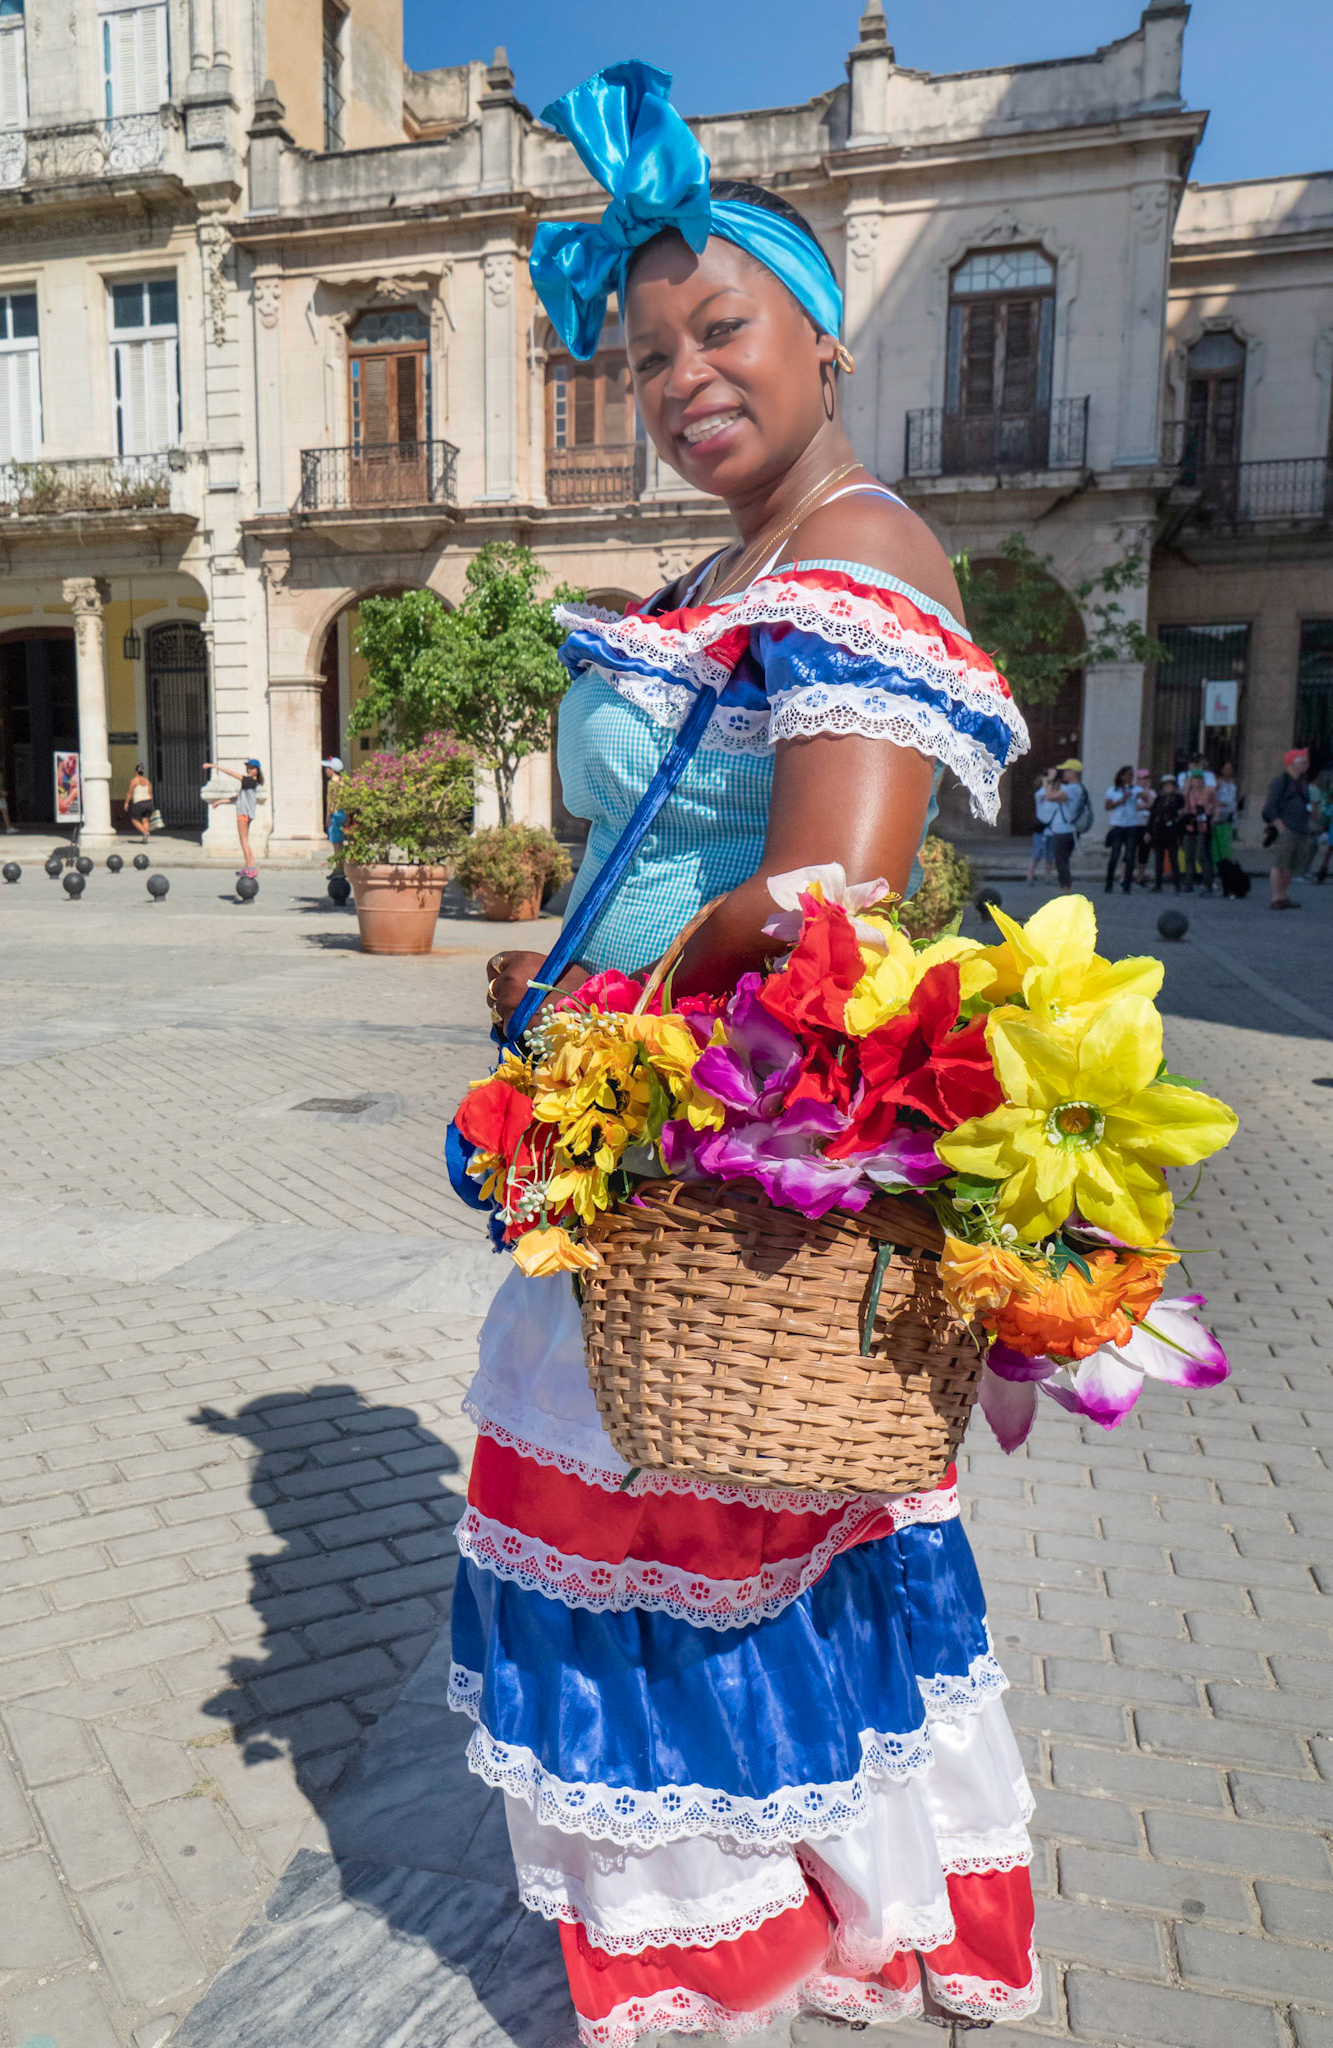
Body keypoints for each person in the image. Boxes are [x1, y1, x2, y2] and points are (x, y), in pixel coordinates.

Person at [474, 64, 1039, 2039]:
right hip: (656, 1136)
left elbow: (830, 919)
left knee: (694, 1520)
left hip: (728, 1140)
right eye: (643, 357)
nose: (680, 375)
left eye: (721, 328)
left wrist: (629, 1013)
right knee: (739, 1524)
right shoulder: (731, 567)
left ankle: (741, 1932)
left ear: (819, 335)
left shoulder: (855, 556)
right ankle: (837, 1890)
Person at [1262, 747, 1316, 910]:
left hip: (1300, 829)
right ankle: (1276, 897)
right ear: (1292, 764)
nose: (1307, 765)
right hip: (1287, 830)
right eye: (1303, 762)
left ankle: (1284, 895)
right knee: (1280, 863)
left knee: (1291, 865)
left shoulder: (1302, 783)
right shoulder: (1281, 782)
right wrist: (1281, 827)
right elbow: (1269, 809)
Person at [205, 756, 264, 878]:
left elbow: (231, 773)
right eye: (248, 767)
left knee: (243, 841)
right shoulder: (250, 783)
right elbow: (236, 798)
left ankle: (250, 868)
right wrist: (219, 801)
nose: (248, 769)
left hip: (243, 814)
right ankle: (250, 866)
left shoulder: (249, 781)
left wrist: (214, 766)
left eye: (251, 768)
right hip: (247, 814)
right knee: (245, 841)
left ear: (256, 770)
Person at [1041, 755, 1090, 891]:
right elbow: (1058, 799)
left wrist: (1049, 781)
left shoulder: (1073, 788)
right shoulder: (1076, 788)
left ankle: (1066, 891)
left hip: (1064, 831)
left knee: (1061, 862)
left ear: (1073, 772)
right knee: (1063, 862)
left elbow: (1050, 797)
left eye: (1066, 770)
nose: (1063, 773)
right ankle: (1065, 890)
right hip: (1066, 830)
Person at [1103, 763, 1141, 893]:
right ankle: (1109, 884)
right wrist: (1122, 800)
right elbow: (1107, 806)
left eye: (1132, 775)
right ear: (1122, 776)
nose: (1131, 777)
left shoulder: (1136, 789)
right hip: (1118, 825)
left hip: (1131, 825)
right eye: (1128, 775)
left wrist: (1141, 794)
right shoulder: (1112, 790)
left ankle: (1127, 885)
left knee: (1130, 856)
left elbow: (1146, 798)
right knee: (1115, 854)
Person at [1180, 769, 1218, 894]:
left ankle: (1208, 882)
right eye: (1194, 779)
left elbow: (1215, 806)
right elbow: (1185, 808)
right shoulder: (1188, 793)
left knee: (1201, 855)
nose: (1197, 782)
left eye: (1199, 779)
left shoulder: (1208, 792)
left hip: (1202, 826)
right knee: (1188, 855)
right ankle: (1188, 882)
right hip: (1190, 825)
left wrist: (1213, 817)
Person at [1147, 772, 1186, 892]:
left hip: (1172, 832)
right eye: (1166, 785)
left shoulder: (1179, 799)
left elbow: (1181, 815)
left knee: (1174, 859)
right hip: (1159, 831)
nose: (1168, 787)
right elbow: (1153, 816)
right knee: (1159, 859)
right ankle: (1158, 884)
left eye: (1170, 785)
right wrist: (1148, 831)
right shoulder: (1159, 799)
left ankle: (1177, 885)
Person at [1026, 770, 1056, 883]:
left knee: (1050, 854)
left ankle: (1047, 876)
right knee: (1037, 853)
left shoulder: (1055, 795)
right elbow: (1041, 795)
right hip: (1041, 828)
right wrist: (1045, 783)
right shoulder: (1039, 794)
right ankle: (1030, 876)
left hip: (1052, 829)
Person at [1212, 759, 1238, 868]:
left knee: (1228, 839)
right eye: (1226, 768)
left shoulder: (1234, 782)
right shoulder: (1218, 782)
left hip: (1231, 813)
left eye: (1230, 768)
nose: (1228, 771)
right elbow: (1213, 795)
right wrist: (1219, 804)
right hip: (1220, 812)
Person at [1132, 767, 1155, 886]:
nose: (1144, 781)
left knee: (1144, 852)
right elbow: (1134, 807)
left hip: (1146, 825)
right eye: (1141, 779)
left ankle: (1141, 876)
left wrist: (1146, 792)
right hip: (1135, 824)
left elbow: (1153, 806)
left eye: (1146, 779)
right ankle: (1126, 875)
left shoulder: (1152, 792)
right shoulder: (1134, 791)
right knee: (1131, 851)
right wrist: (1147, 806)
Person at [124, 763, 154, 842]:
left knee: (134, 820)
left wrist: (126, 803)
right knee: (145, 820)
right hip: (149, 802)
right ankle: (145, 839)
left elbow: (130, 792)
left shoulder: (134, 780)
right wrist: (151, 804)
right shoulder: (148, 781)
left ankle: (145, 832)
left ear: (136, 771)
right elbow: (150, 794)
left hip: (139, 803)